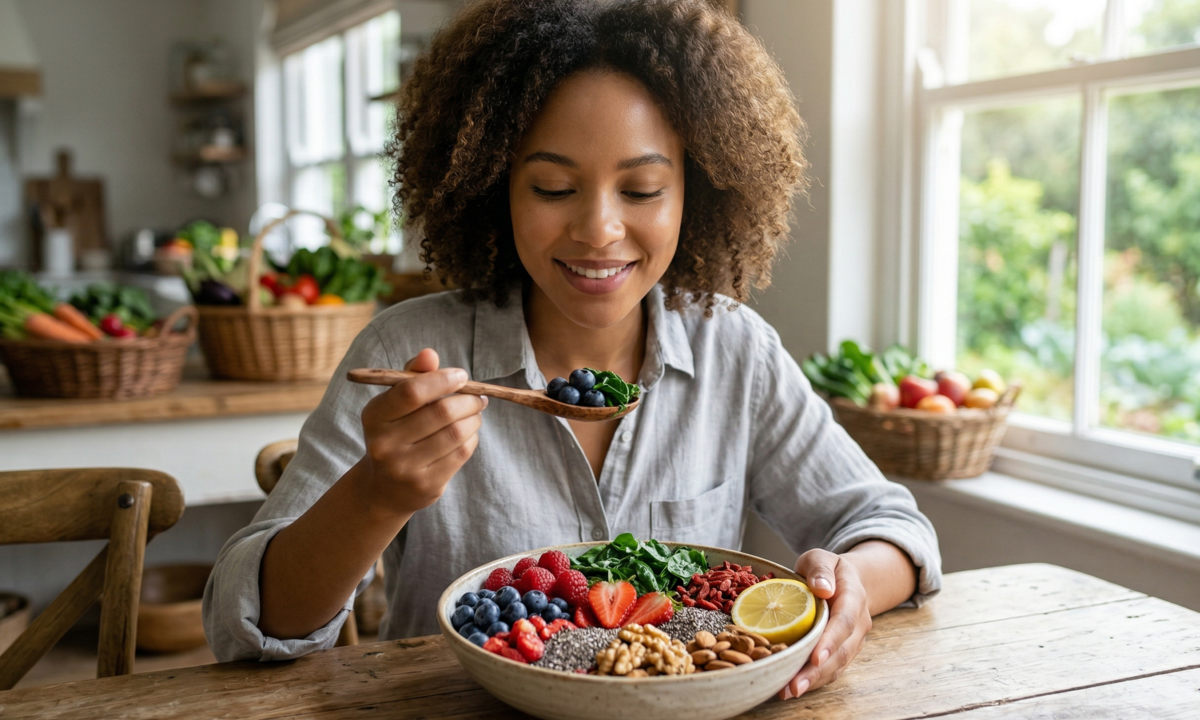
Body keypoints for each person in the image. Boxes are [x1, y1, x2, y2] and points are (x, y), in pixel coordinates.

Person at [204, 0, 941, 701]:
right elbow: (245, 625)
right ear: (495, 188)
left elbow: (896, 532)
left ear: (699, 190)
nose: (598, 229)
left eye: (643, 189)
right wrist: (376, 495)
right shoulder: (408, 350)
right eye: (554, 187)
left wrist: (848, 592)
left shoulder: (733, 349)